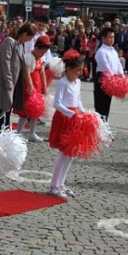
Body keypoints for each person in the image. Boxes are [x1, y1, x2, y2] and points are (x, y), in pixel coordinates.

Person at [47, 50, 86, 198]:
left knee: (71, 154)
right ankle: (53, 185)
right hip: (64, 118)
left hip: (74, 118)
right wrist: (72, 114)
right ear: (68, 69)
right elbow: (57, 104)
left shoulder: (78, 82)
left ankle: (61, 184)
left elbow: (78, 99)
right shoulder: (63, 82)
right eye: (77, 70)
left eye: (80, 70)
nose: (79, 73)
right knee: (64, 154)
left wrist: (83, 112)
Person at [0, 23, 35, 130]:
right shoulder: (9, 41)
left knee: (8, 105)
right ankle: (1, 128)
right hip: (4, 77)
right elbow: (5, 61)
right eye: (30, 37)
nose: (30, 40)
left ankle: (6, 127)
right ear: (25, 34)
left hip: (14, 78)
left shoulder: (20, 44)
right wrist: (8, 80)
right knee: (3, 105)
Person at [14, 35, 51, 142]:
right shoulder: (28, 58)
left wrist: (45, 88)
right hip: (29, 87)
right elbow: (26, 73)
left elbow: (43, 73)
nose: (43, 54)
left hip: (37, 86)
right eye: (42, 51)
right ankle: (19, 132)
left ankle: (32, 133)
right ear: (37, 48)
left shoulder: (40, 59)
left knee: (36, 111)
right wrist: (30, 86)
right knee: (26, 111)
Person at [93, 27, 123, 120]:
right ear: (103, 38)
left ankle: (104, 126)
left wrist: (121, 75)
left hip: (111, 79)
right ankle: (99, 127)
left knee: (107, 104)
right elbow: (106, 68)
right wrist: (114, 78)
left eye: (113, 37)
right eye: (110, 37)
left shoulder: (113, 50)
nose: (112, 39)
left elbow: (118, 63)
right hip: (103, 78)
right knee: (101, 106)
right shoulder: (101, 51)